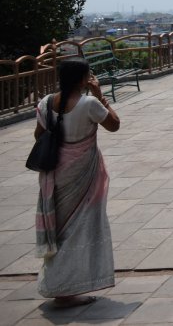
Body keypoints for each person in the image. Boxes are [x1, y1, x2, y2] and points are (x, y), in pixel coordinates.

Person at [34, 57, 121, 307]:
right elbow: (114, 125)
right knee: (78, 228)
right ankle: (65, 289)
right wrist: (101, 95)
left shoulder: (46, 102)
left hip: (54, 174)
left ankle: (58, 283)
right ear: (83, 79)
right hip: (83, 174)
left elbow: (38, 134)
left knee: (59, 228)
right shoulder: (89, 103)